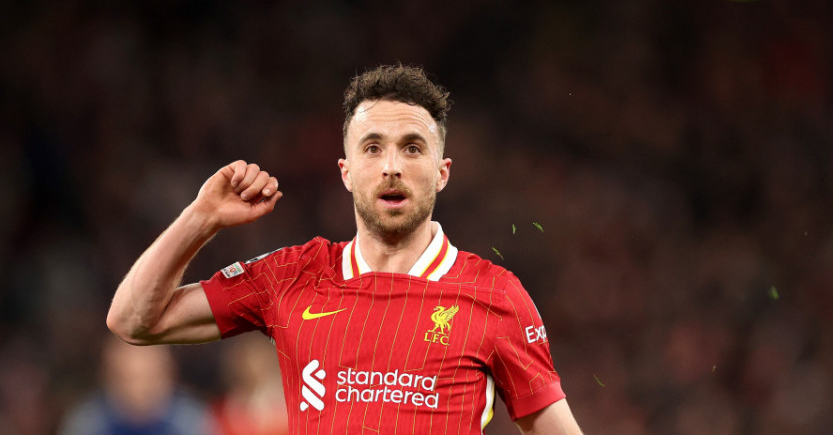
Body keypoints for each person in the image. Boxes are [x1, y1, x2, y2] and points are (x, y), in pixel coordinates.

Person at [107, 63, 584, 435]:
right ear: (346, 171)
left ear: (442, 173)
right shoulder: (291, 276)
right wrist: (201, 218)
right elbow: (132, 319)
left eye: (413, 147)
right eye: (372, 148)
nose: (392, 166)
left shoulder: (496, 296)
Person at [58, 335, 216, 435]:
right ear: (107, 378)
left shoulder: (191, 422)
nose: (139, 391)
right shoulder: (88, 424)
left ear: (169, 375)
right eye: (127, 378)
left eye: (150, 377)